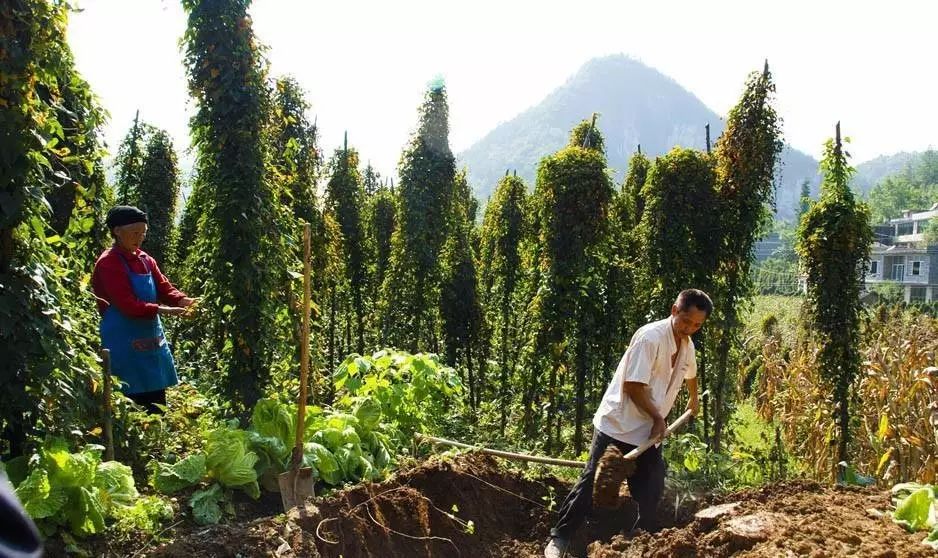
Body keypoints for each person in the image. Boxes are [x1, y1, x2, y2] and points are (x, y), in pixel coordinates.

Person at [544, 289, 712, 558]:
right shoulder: (650, 338)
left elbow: (690, 373)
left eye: (696, 325)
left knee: (652, 482)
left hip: (648, 432)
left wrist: (694, 399)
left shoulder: (687, 345)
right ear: (674, 311)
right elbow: (633, 386)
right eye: (686, 321)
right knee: (591, 482)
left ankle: (642, 537)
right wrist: (659, 418)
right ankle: (560, 538)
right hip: (618, 424)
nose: (690, 328)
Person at [92, 205, 196, 414]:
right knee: (131, 395)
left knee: (156, 396)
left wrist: (184, 301)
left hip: (150, 337)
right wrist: (165, 311)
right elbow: (127, 305)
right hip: (123, 338)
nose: (139, 238)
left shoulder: (145, 259)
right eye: (134, 233)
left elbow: (164, 288)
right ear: (117, 231)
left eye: (143, 233)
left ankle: (157, 440)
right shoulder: (109, 262)